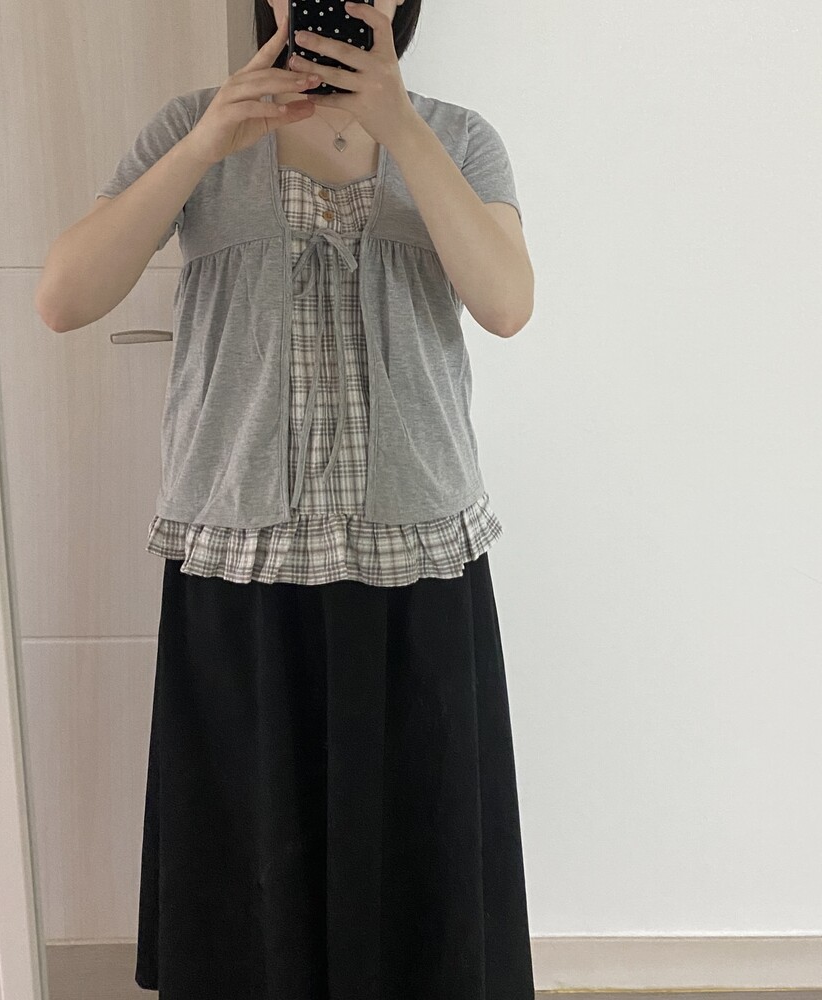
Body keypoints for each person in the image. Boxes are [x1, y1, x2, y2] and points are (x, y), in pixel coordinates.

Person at [36, 1, 536, 996]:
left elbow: (506, 303)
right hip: (241, 561)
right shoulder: (196, 124)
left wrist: (401, 129)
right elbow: (65, 298)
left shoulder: (458, 136)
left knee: (418, 865)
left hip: (412, 562)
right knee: (251, 873)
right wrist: (201, 148)